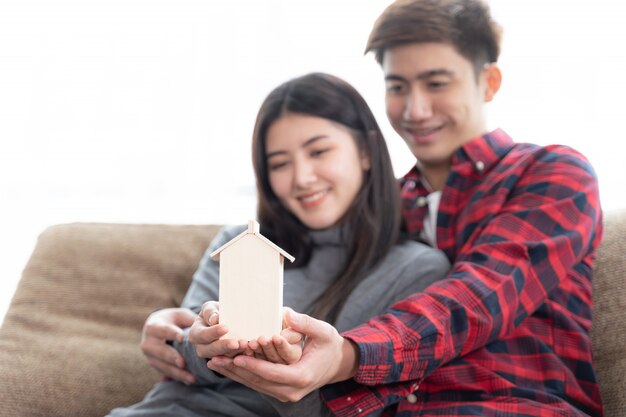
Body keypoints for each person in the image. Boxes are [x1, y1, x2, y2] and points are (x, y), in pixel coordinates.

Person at [203, 1, 605, 416]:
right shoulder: (381, 209)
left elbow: (477, 298)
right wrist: (175, 327)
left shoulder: (552, 175)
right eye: (397, 87)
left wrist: (346, 355)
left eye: (436, 84)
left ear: (489, 82)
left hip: (512, 406)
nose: (415, 110)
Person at [106, 72, 450, 417]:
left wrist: (281, 374)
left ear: (366, 152)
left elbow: (350, 406)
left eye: (319, 151)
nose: (301, 178)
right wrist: (199, 344)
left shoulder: (417, 270)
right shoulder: (238, 243)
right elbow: (184, 362)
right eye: (280, 164)